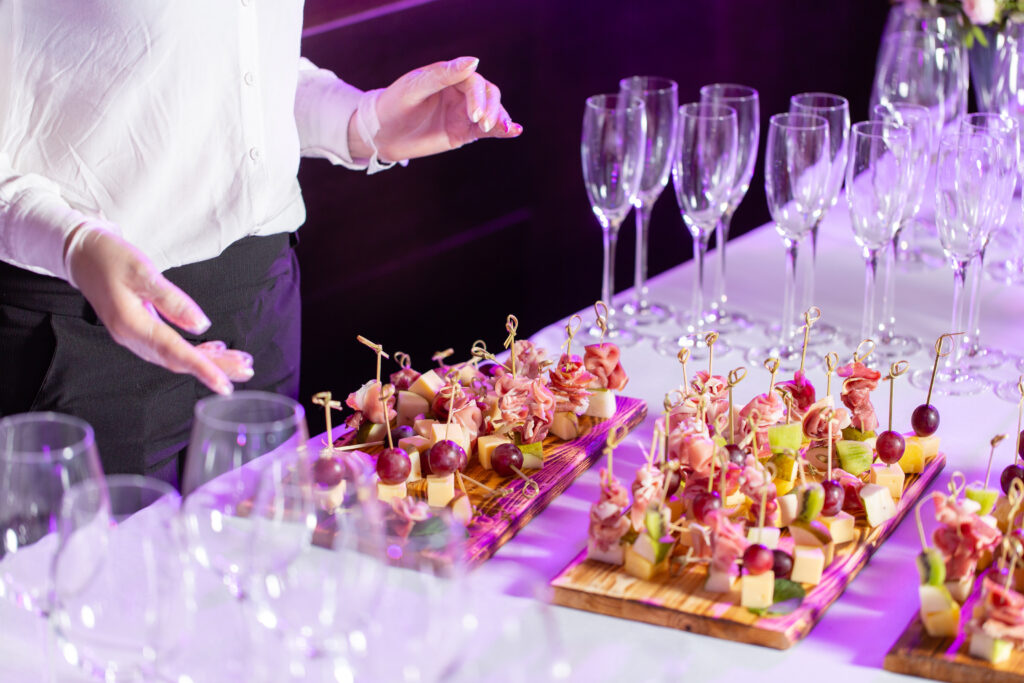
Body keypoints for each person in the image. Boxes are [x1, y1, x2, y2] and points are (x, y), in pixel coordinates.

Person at [0, 3, 521, 485]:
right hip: (82, 338)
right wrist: (74, 245)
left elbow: (236, 66)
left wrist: (364, 121)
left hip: (260, 307)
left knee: (264, 567)